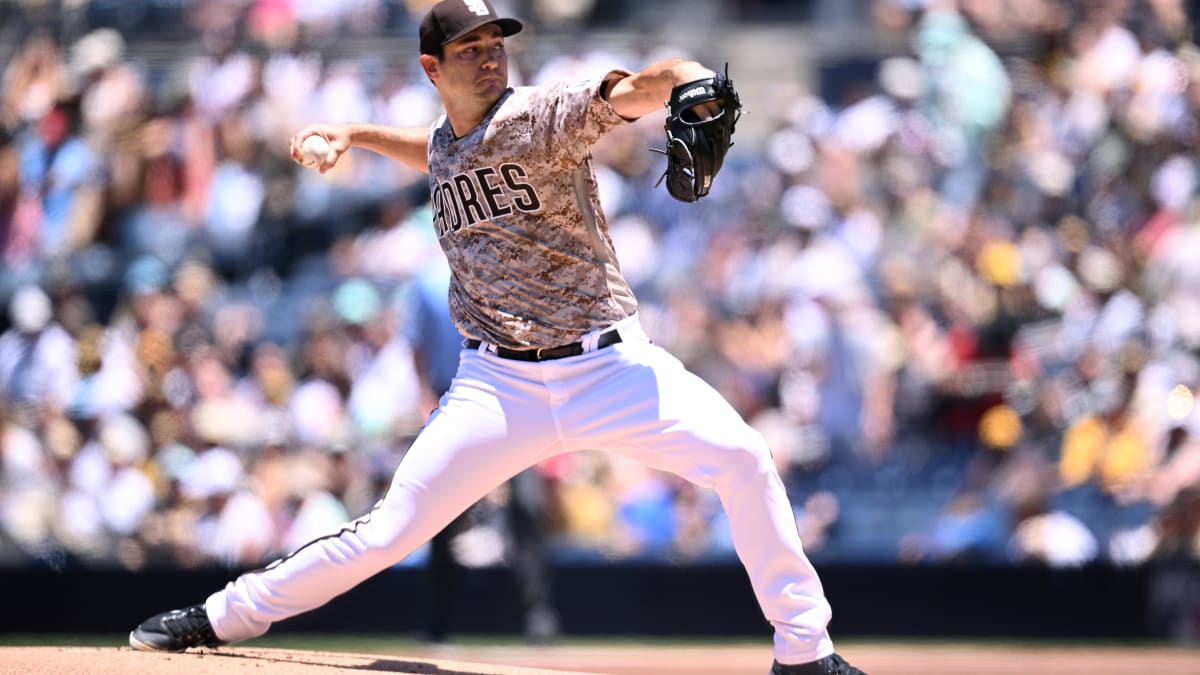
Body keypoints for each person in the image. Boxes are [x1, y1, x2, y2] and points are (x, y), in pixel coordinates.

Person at [128, 2, 865, 673]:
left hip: (608, 365)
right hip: (497, 386)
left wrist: (692, 80)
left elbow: (642, 86)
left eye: (494, 42)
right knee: (386, 533)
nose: (488, 55)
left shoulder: (541, 116)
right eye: (468, 46)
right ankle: (218, 616)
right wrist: (353, 133)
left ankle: (803, 652)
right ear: (431, 67)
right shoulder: (448, 144)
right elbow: (440, 149)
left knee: (743, 456)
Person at [405, 253, 559, 644]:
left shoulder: (504, 261)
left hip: (511, 396)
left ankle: (538, 614)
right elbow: (417, 345)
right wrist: (426, 396)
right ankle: (437, 621)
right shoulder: (426, 278)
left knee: (527, 506)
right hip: (453, 397)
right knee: (442, 511)